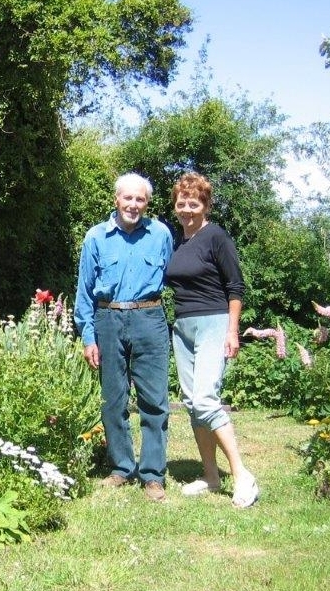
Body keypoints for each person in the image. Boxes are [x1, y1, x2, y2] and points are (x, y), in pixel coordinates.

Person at [74, 172, 173, 502]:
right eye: (128, 198)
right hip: (108, 319)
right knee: (113, 400)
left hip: (150, 318)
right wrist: (88, 336)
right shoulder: (95, 238)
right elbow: (84, 292)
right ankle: (121, 468)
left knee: (154, 400)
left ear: (147, 203)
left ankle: (153, 474)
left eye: (140, 199)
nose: (133, 204)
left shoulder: (160, 234)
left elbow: (175, 276)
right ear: (116, 199)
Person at [164, 171, 259, 508]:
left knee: (205, 398)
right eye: (181, 203)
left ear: (205, 205)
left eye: (194, 203)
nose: (187, 209)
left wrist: (232, 330)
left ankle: (242, 474)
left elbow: (235, 287)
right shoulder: (179, 242)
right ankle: (211, 476)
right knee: (193, 403)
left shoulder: (216, 236)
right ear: (175, 205)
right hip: (184, 327)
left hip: (214, 323)